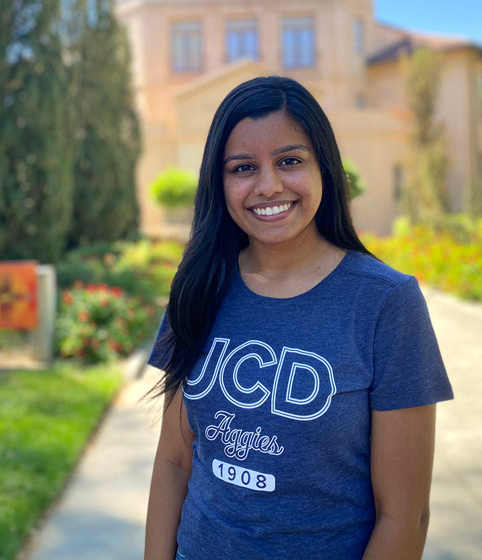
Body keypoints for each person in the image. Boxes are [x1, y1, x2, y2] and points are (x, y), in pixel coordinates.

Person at [144, 76, 454, 560]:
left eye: (289, 161)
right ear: (219, 182)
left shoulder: (386, 303)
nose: (268, 185)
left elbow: (405, 516)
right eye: (243, 167)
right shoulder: (198, 287)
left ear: (324, 169)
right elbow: (173, 461)